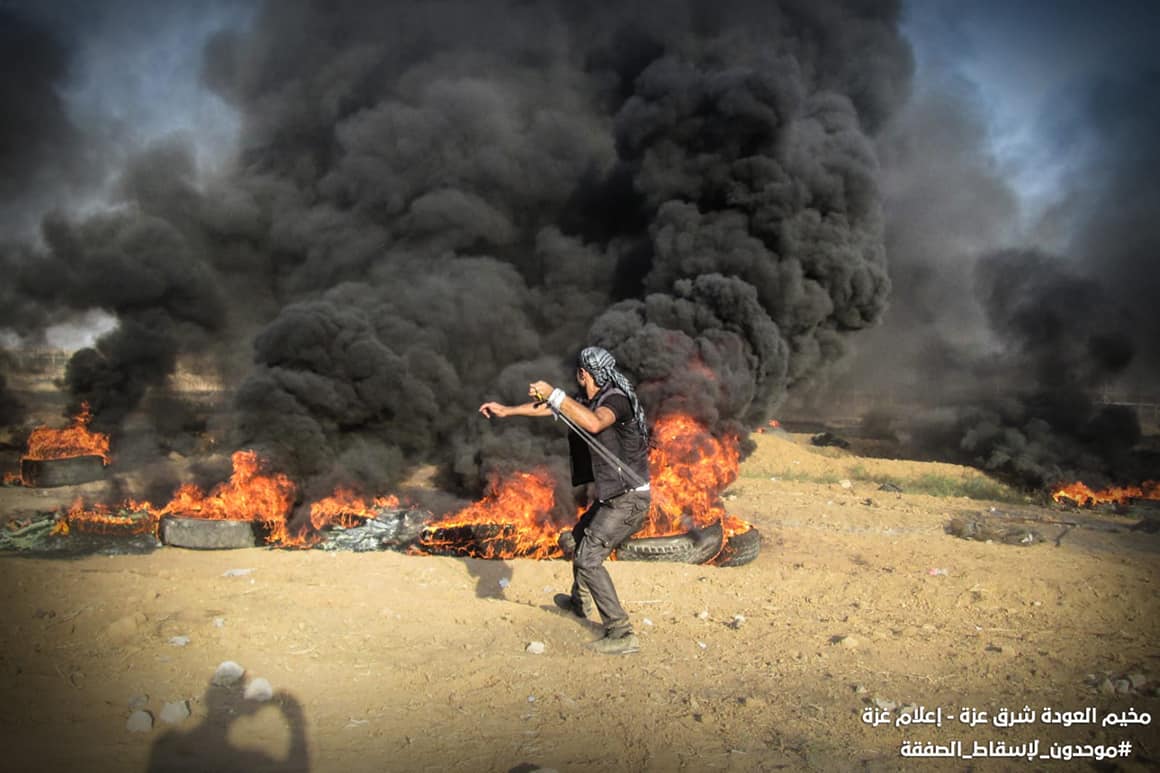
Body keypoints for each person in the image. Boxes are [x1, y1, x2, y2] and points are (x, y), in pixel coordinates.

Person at [478, 346, 651, 655]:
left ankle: (622, 632)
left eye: (578, 372)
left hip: (629, 499)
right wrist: (508, 411)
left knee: (588, 559)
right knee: (575, 540)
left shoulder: (615, 400)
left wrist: (554, 393)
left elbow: (595, 423)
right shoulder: (589, 399)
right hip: (613, 496)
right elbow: (550, 409)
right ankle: (578, 602)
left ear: (584, 373)